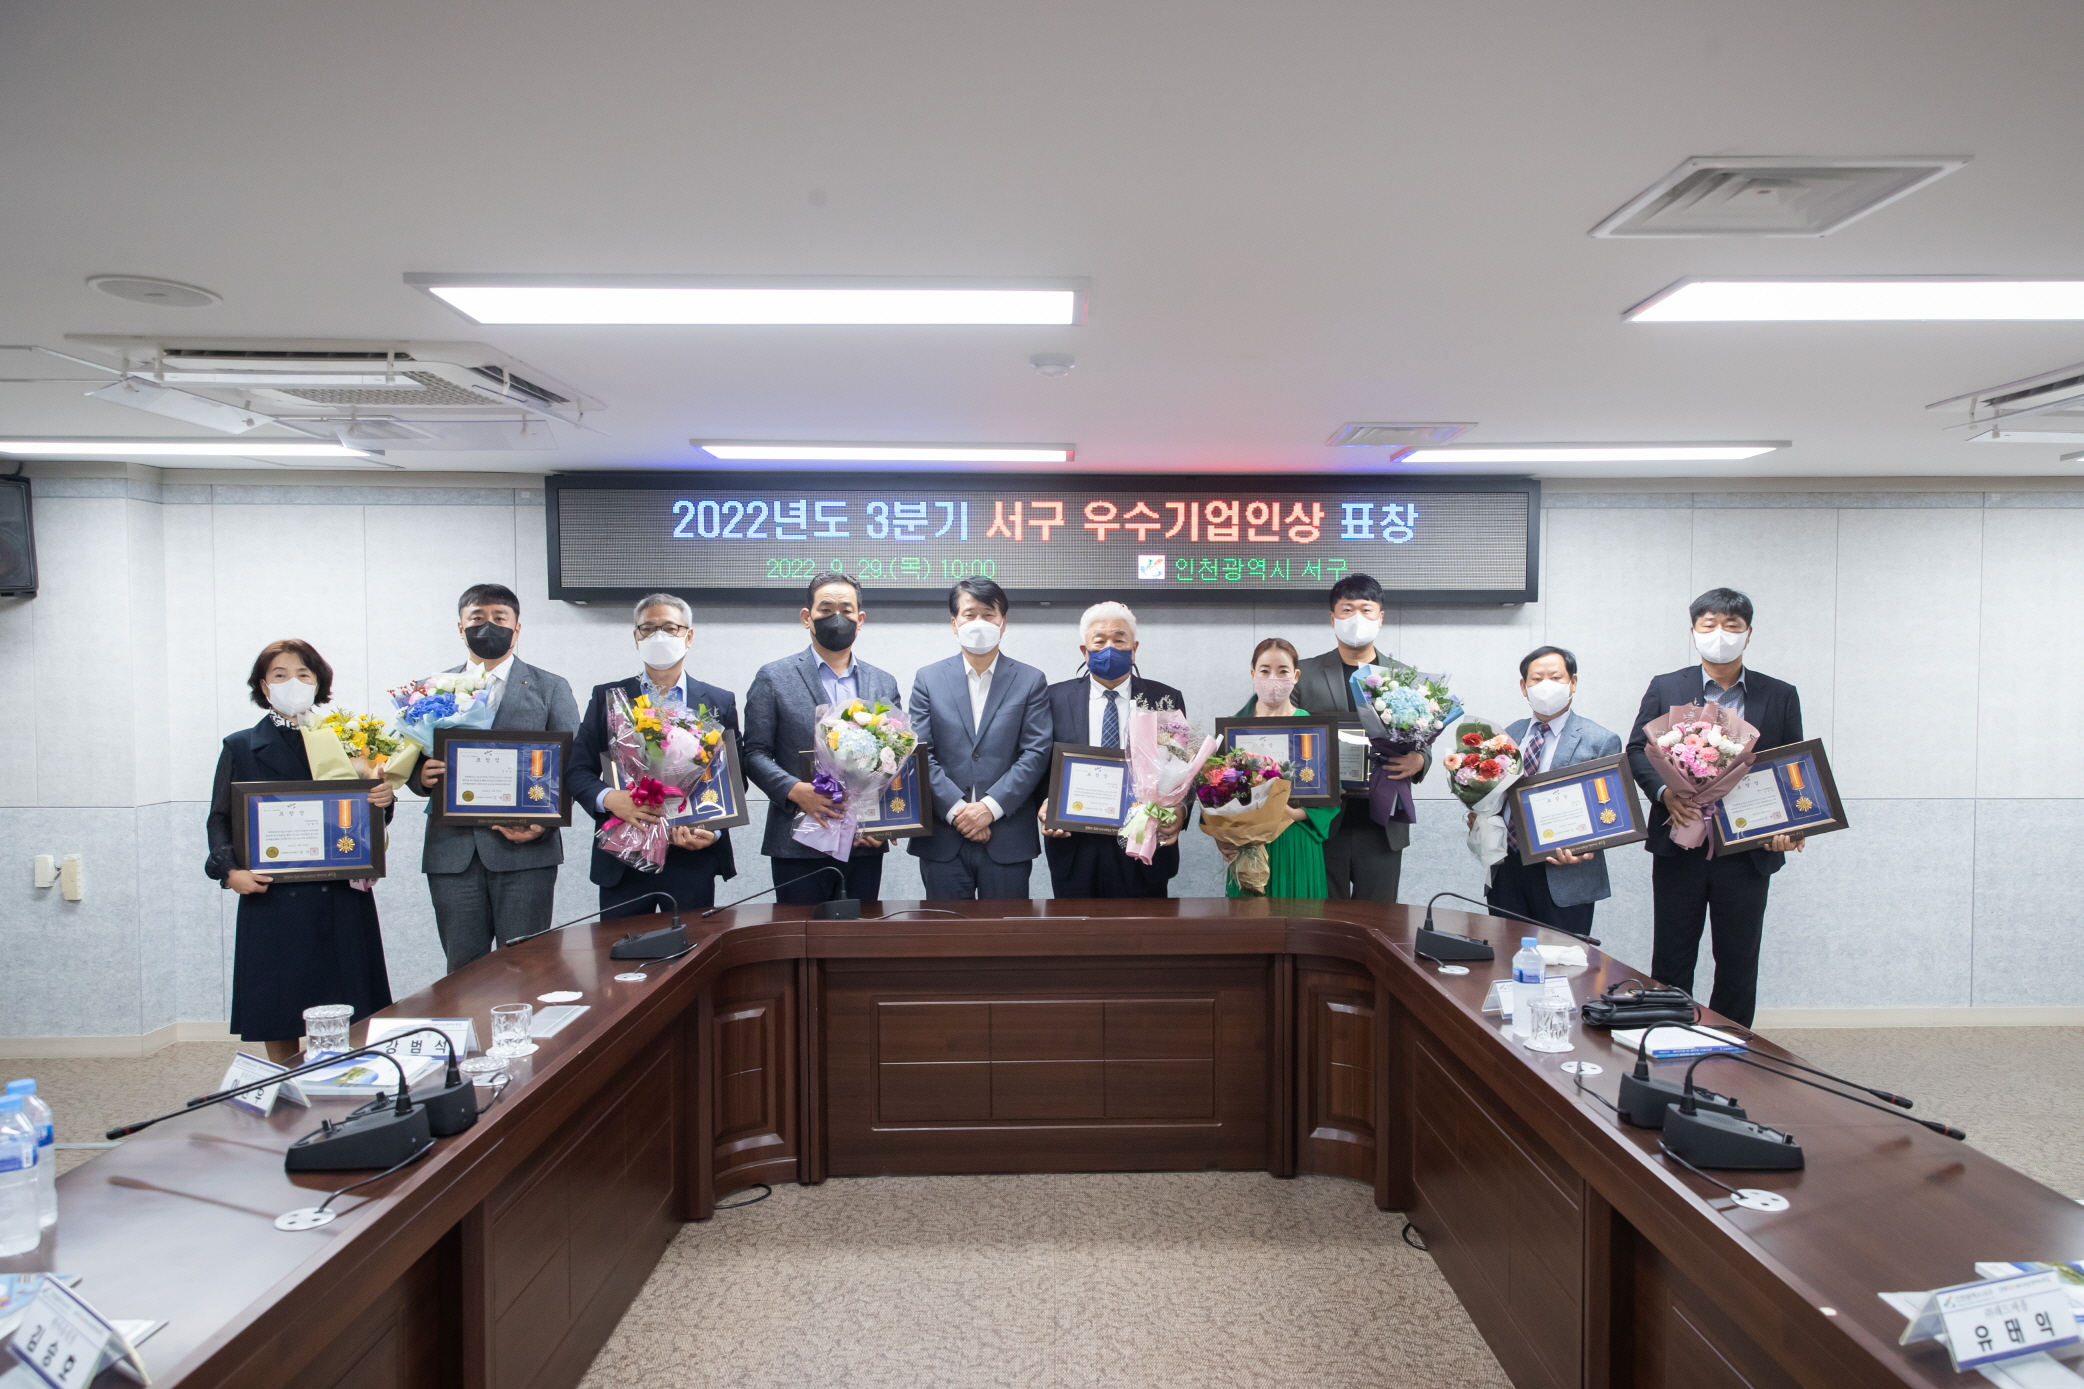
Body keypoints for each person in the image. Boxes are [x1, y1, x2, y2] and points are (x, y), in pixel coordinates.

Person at [205, 640, 394, 1062]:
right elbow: (219, 818)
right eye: (280, 674)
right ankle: (285, 1082)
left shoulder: (347, 741)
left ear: (318, 683)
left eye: (303, 674)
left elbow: (365, 815)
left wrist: (383, 799)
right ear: (263, 685)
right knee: (280, 1005)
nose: (293, 682)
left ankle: (349, 1080)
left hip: (340, 893)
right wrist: (230, 872)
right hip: (273, 894)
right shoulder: (240, 746)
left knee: (351, 1000)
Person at [1626, 588, 1806, 1027]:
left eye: (1731, 626)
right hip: (1680, 841)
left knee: (1738, 959)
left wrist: (1791, 826)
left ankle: (1731, 1046)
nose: (1720, 634)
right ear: (1693, 631)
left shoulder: (1780, 694)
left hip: (1747, 849)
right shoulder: (1667, 686)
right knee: (1672, 954)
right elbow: (1636, 750)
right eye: (1709, 625)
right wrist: (1665, 793)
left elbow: (1794, 767)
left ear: (1748, 633)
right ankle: (1666, 1035)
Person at [407, 583, 581, 972]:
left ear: (517, 628)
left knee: (527, 968)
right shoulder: (429, 689)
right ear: (460, 627)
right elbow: (408, 762)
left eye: (499, 618)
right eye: (477, 618)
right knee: (462, 970)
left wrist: (543, 823)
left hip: (526, 849)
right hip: (452, 851)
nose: (488, 626)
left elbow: (573, 764)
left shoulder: (551, 687)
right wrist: (422, 776)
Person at [569, 593, 739, 916]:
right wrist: (610, 799)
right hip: (623, 857)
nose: (658, 636)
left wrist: (712, 828)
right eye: (648, 629)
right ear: (636, 638)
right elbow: (577, 771)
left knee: (692, 946)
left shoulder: (720, 701)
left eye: (670, 628)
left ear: (689, 636)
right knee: (622, 947)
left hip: (692, 857)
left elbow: (733, 779)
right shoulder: (608, 698)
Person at [742, 573, 903, 906]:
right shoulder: (774, 677)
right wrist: (795, 790)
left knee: (858, 935)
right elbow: (754, 753)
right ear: (807, 617)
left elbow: (895, 758)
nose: (837, 618)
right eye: (826, 609)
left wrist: (884, 824)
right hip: (797, 843)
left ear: (860, 620)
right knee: (798, 935)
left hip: (863, 843)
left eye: (846, 610)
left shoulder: (883, 682)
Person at [907, 578, 1051, 900]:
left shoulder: (1030, 681)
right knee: (944, 929)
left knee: (1005, 929)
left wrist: (989, 808)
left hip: (1007, 836)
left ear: (1003, 623)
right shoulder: (928, 679)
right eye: (970, 615)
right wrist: (959, 812)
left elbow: (1036, 753)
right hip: (943, 837)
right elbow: (919, 752)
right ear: (954, 623)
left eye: (988, 615)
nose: (979, 623)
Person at [1292, 573, 1431, 902]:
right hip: (1322, 820)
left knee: (1379, 921)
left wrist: (1420, 760)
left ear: (1380, 617)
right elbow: (1284, 736)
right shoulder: (1303, 674)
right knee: (1324, 920)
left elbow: (1422, 737)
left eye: (1366, 610)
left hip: (1382, 823)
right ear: (1332, 618)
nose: (1357, 618)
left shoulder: (1405, 677)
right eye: (1347, 609)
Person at [1039, 602, 1187, 898]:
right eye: (1099, 641)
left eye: (1119, 640)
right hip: (1075, 845)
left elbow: (1181, 768)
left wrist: (1179, 812)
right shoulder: (1053, 699)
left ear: (1134, 648)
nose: (1109, 648)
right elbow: (1038, 763)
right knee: (1077, 928)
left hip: (1143, 845)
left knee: (1144, 928)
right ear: (1085, 650)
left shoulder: (1165, 699)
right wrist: (1046, 806)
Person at [1484, 646, 1620, 938]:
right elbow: (1493, 795)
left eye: (1556, 678)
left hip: (1566, 871)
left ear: (1573, 683)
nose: (1546, 685)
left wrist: (1587, 847)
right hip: (1507, 868)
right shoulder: (1508, 734)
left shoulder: (1600, 740)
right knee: (1504, 956)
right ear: (1524, 687)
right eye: (1537, 679)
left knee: (1562, 960)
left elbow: (1609, 809)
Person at [1223, 637, 1337, 898]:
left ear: (1296, 676)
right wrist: (1223, 835)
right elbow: (1215, 788)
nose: (1273, 678)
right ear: (1252, 674)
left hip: (1296, 840)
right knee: (1248, 919)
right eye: (1265, 671)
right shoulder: (1234, 728)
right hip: (1248, 844)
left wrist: (1292, 814)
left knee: (1300, 919)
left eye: (1283, 671)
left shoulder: (1314, 729)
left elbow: (1332, 792)